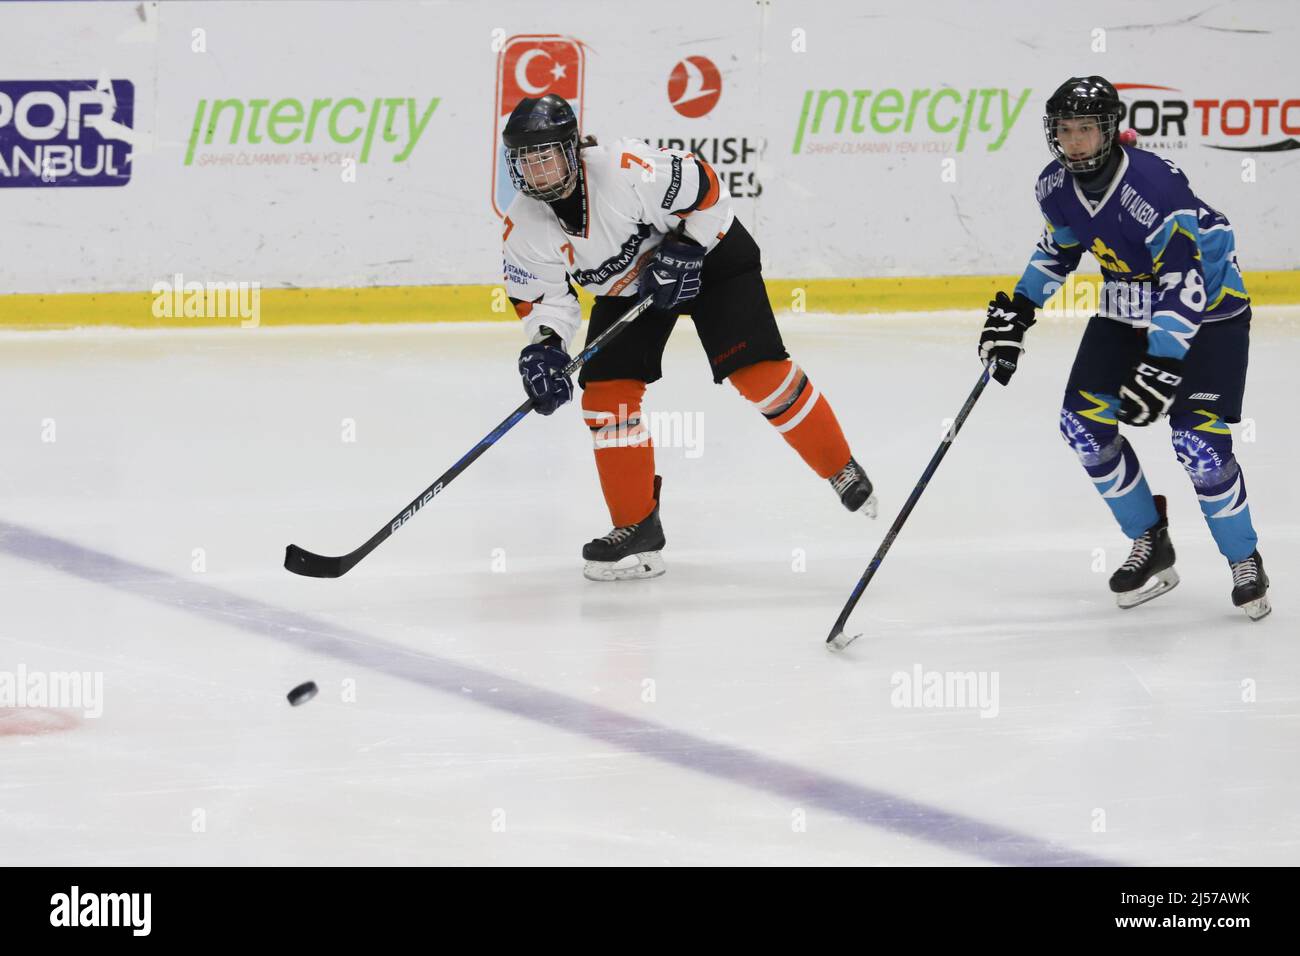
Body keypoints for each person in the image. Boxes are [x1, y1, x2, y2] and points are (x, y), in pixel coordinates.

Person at [501, 94, 875, 581]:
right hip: (634, 289)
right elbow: (545, 302)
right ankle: (636, 527)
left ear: (571, 150)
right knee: (605, 396)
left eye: (546, 155)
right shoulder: (524, 226)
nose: (538, 172)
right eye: (526, 161)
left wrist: (687, 246)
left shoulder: (624, 171)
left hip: (712, 256)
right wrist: (547, 346)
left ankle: (839, 466)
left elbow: (709, 190)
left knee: (759, 374)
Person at [979, 76, 1269, 620]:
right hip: (1128, 305)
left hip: (1208, 311)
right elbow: (1059, 250)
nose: (1074, 141)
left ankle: (1243, 559)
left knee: (1197, 442)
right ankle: (1149, 540)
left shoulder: (1156, 188)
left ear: (1109, 129)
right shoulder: (1054, 186)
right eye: (1064, 131)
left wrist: (1162, 362)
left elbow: (1185, 283)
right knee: (1082, 425)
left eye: (1085, 128)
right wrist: (1019, 309)